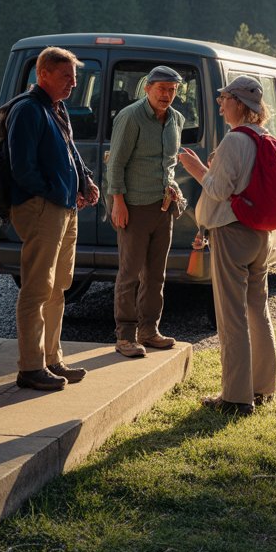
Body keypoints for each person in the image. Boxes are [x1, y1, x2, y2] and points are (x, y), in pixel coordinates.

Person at [178, 76, 276, 417]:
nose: (220, 104)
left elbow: (219, 189)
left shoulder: (236, 140)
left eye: (223, 99)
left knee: (231, 315)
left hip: (232, 233)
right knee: (257, 309)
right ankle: (262, 386)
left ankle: (235, 398)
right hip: (259, 234)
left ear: (239, 103)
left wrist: (196, 169)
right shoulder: (265, 137)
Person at [6, 46, 100, 391]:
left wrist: (85, 180)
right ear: (42, 74)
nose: (72, 84)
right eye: (65, 77)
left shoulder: (57, 108)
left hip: (64, 207)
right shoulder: (28, 111)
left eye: (74, 79)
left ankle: (51, 358)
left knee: (59, 286)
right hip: (42, 208)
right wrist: (54, 192)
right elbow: (22, 167)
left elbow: (71, 153)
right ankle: (30, 367)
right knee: (37, 288)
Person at [106, 65, 185, 358]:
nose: (166, 95)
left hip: (163, 206)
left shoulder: (176, 119)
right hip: (134, 206)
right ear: (148, 88)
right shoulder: (131, 117)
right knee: (129, 275)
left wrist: (173, 187)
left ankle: (149, 330)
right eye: (161, 88)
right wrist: (118, 203)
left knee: (156, 274)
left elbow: (169, 163)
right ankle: (125, 336)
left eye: (172, 90)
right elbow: (115, 164)